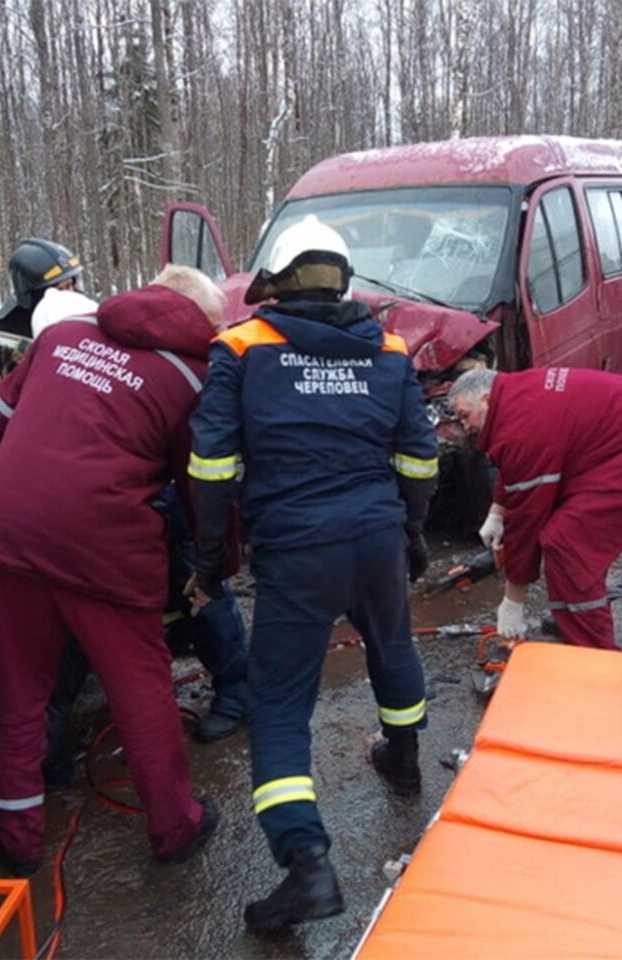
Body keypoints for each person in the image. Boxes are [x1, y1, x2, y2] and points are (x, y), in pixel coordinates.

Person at [185, 215, 438, 933]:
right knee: (394, 647)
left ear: (278, 279)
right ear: (344, 278)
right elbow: (420, 458)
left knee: (279, 704)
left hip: (297, 549)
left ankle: (305, 866)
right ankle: (406, 758)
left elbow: (211, 468)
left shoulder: (240, 347)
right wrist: (410, 532)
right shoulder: (388, 350)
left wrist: (211, 562)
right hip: (375, 536)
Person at [0, 265, 226, 875]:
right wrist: (217, 566)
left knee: (21, 692)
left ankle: (18, 840)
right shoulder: (192, 376)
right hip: (107, 550)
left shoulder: (59, 338)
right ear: (199, 322)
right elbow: (202, 487)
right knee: (142, 687)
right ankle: (175, 827)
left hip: (14, 537)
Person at [452, 366, 622, 650]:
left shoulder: (520, 425)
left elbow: (527, 519)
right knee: (574, 538)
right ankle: (572, 614)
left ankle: (597, 656)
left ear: (486, 399)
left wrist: (513, 599)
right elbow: (516, 464)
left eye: (463, 415)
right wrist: (497, 511)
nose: (465, 426)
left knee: (570, 544)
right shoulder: (517, 396)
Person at [0, 238, 97, 395]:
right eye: (58, 290)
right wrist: (14, 372)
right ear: (34, 293)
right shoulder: (2, 330)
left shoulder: (90, 308)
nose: (68, 294)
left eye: (70, 285)